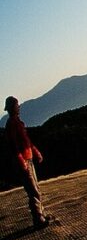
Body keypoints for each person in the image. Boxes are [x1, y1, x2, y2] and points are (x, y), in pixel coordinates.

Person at [4, 96, 50, 229]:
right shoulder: (12, 124)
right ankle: (38, 219)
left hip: (28, 160)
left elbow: (27, 142)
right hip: (24, 162)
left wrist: (36, 153)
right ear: (13, 107)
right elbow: (13, 146)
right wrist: (22, 162)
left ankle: (41, 214)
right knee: (33, 190)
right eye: (17, 105)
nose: (19, 107)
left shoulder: (17, 122)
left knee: (36, 189)